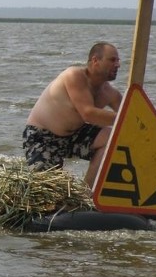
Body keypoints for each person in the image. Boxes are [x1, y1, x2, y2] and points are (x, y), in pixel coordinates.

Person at [22, 42, 122, 188]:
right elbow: (88, 114)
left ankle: (87, 193)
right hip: (42, 137)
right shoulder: (74, 75)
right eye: (112, 60)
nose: (118, 65)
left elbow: (134, 117)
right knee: (48, 192)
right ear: (95, 60)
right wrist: (126, 117)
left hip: (74, 136)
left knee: (113, 137)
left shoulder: (111, 94)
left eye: (118, 61)